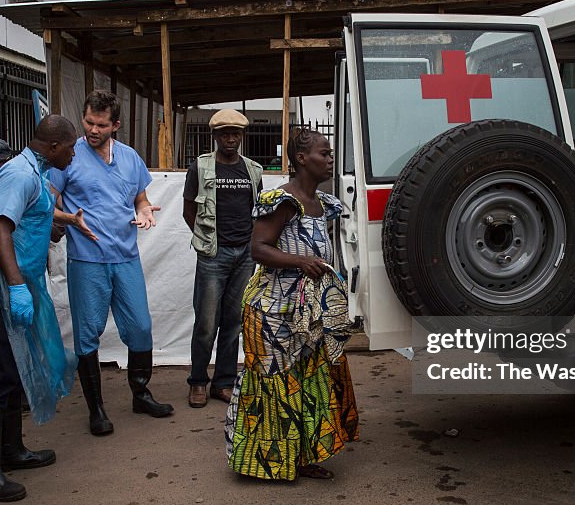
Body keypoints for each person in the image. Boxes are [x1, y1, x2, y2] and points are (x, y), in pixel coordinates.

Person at [225, 128, 359, 481]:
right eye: (324, 154)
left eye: (330, 154)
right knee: (275, 384)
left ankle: (302, 456)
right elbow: (258, 248)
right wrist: (300, 262)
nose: (330, 159)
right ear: (302, 159)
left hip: (308, 311)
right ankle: (269, 464)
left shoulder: (323, 204)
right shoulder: (281, 201)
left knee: (306, 379)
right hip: (271, 311)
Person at [0, 115, 81, 502]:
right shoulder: (21, 174)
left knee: (14, 366)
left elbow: (33, 216)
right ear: (52, 147)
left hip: (16, 280)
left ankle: (11, 451)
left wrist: (61, 224)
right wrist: (16, 287)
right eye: (70, 147)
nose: (74, 153)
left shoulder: (37, 170)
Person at [48, 90, 172, 436]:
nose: (92, 129)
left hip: (126, 256)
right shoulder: (69, 158)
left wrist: (145, 212)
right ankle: (96, 409)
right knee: (88, 334)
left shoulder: (130, 158)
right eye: (88, 121)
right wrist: (70, 220)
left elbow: (141, 198)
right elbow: (48, 204)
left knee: (141, 327)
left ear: (115, 125)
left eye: (101, 124)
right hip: (87, 260)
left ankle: (141, 393)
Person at [182, 109, 263, 408]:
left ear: (241, 136)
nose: (231, 138)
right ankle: (198, 382)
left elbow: (258, 211)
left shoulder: (253, 170)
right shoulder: (201, 168)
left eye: (236, 133)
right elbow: (188, 209)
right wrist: (207, 242)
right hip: (213, 255)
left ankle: (224, 382)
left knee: (234, 323)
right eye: (225, 133)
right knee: (206, 322)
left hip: (244, 255)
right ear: (215, 136)